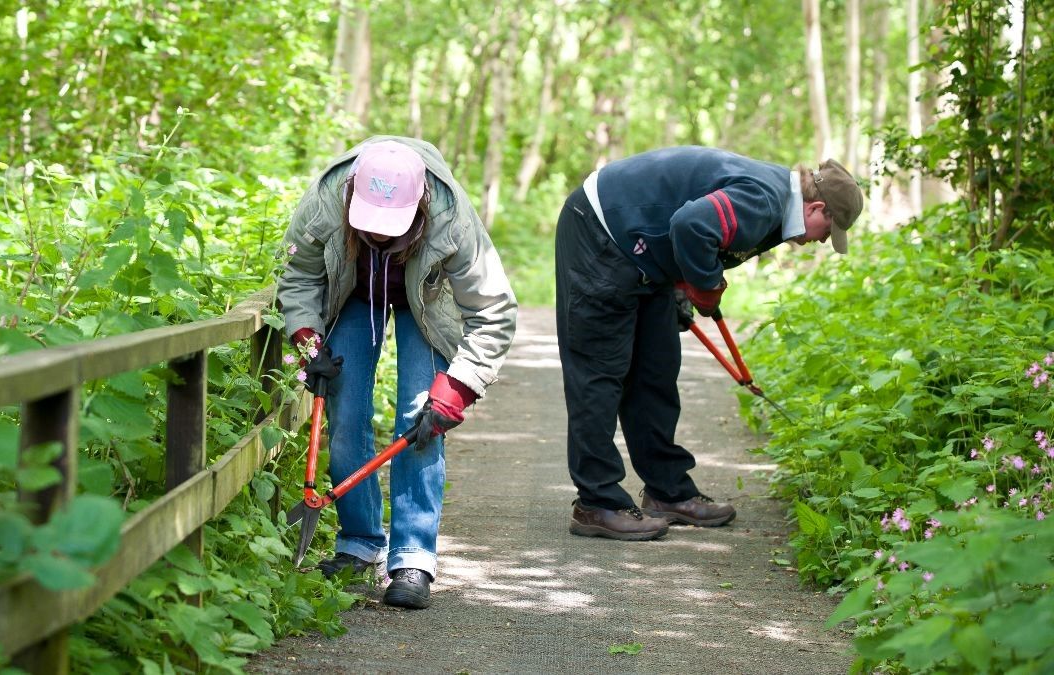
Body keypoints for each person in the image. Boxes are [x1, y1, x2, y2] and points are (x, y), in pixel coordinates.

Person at [554, 146, 864, 541]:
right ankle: (596, 504)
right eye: (828, 232)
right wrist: (706, 285)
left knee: (655, 372)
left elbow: (695, 231)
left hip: (644, 253)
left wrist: (684, 287)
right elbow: (691, 225)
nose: (821, 242)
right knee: (600, 372)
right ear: (817, 208)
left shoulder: (775, 201)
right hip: (602, 232)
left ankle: (667, 492)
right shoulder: (765, 200)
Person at [279, 136, 517, 608]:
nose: (382, 236)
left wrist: (457, 390)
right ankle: (358, 542)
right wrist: (307, 337)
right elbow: (299, 273)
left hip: (426, 300)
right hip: (352, 295)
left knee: (420, 415)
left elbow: (493, 312)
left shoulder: (451, 217)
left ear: (420, 206)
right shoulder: (327, 200)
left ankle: (412, 558)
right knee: (345, 411)